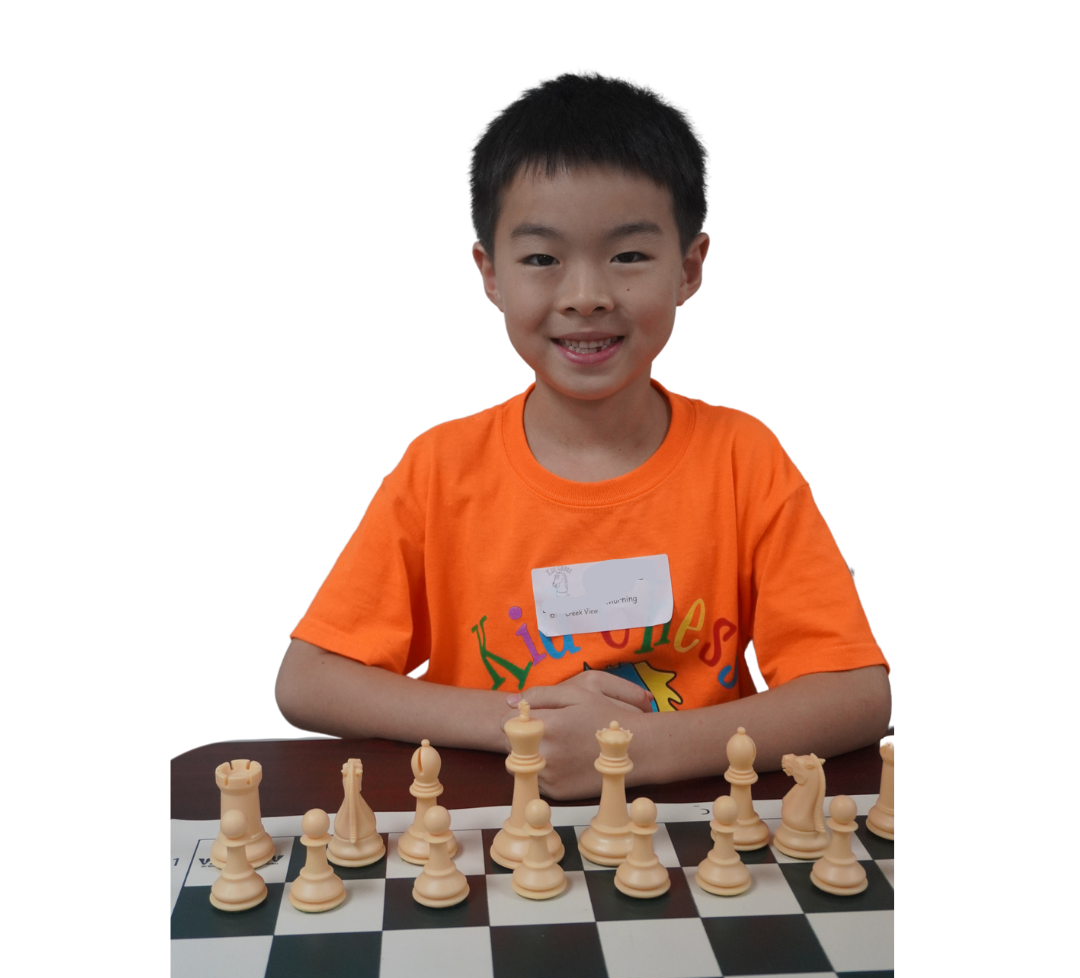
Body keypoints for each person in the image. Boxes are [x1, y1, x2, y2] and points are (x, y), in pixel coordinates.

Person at [274, 68, 891, 801]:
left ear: (690, 269)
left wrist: (654, 748)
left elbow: (857, 696)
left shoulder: (743, 457)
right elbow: (306, 680)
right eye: (542, 259)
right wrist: (517, 723)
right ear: (490, 273)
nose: (587, 295)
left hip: (696, 833)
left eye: (629, 255)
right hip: (490, 838)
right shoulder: (441, 467)